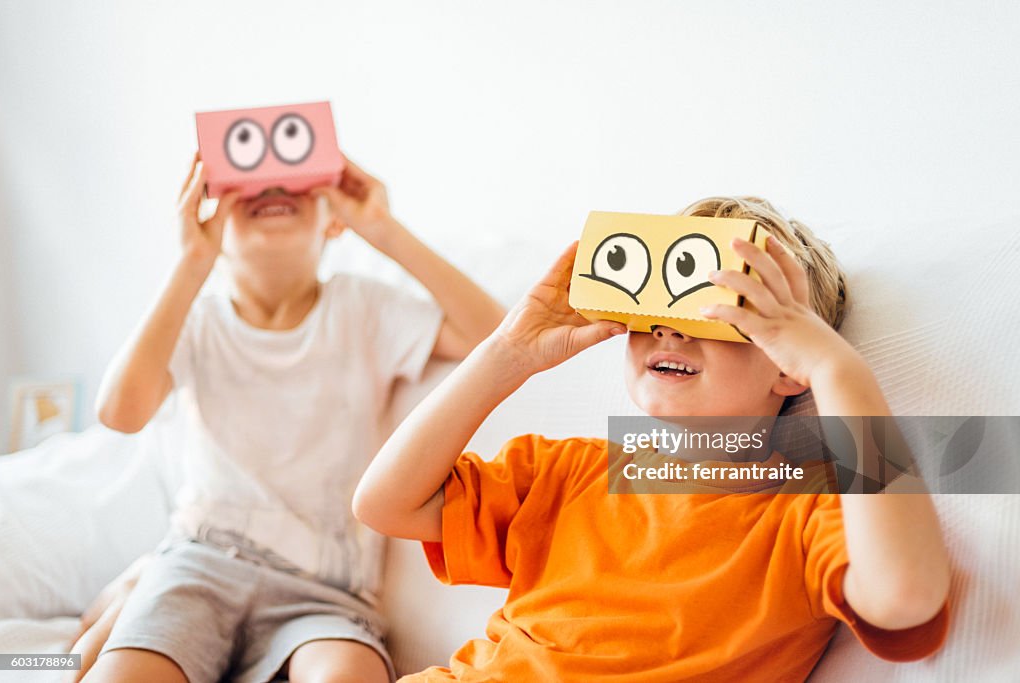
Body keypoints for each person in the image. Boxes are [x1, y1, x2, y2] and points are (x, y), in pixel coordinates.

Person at [353, 197, 952, 681]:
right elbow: (384, 504)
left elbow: (904, 597)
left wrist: (836, 369)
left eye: (720, 309)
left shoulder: (806, 513)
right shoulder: (565, 473)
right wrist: (507, 356)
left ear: (788, 364)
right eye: (659, 302)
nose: (669, 325)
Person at [78, 152, 505, 683]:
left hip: (324, 594)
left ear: (332, 221)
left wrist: (382, 228)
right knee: (103, 671)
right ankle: (134, 590)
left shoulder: (363, 308)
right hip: (201, 564)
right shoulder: (198, 322)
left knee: (349, 674)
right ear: (214, 220)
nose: (270, 190)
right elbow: (120, 414)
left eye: (294, 185)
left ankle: (134, 589)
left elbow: (496, 337)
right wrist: (192, 263)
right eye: (247, 189)